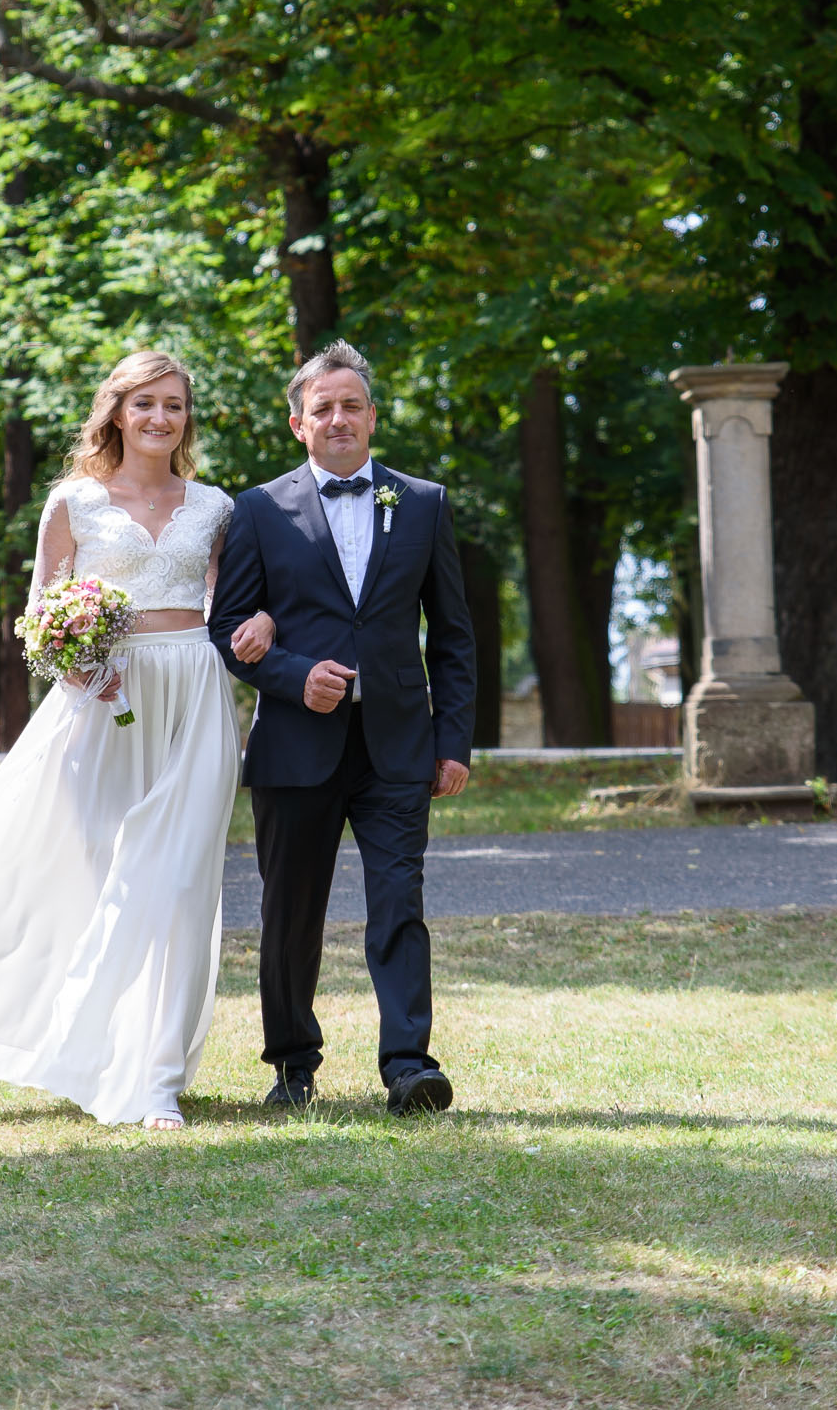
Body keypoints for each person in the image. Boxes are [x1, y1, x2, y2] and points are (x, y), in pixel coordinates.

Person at [0, 350, 275, 1131]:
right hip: (104, 702)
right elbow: (39, 615)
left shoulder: (217, 506)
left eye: (174, 405)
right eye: (144, 403)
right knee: (105, 876)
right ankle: (94, 1047)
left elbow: (234, 600)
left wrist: (264, 621)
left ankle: (156, 1075)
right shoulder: (72, 502)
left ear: (187, 418)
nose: (160, 417)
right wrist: (79, 667)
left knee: (181, 882)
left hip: (194, 693)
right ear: (116, 412)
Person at [209, 341, 479, 1116]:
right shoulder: (259, 508)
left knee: (399, 902)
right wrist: (296, 676)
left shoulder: (423, 502)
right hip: (296, 745)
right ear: (299, 423)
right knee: (291, 913)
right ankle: (293, 1065)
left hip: (399, 745)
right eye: (322, 407)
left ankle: (410, 1066)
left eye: (351, 405)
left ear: (372, 416)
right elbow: (228, 627)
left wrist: (452, 741)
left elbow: (453, 635)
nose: (338, 418)